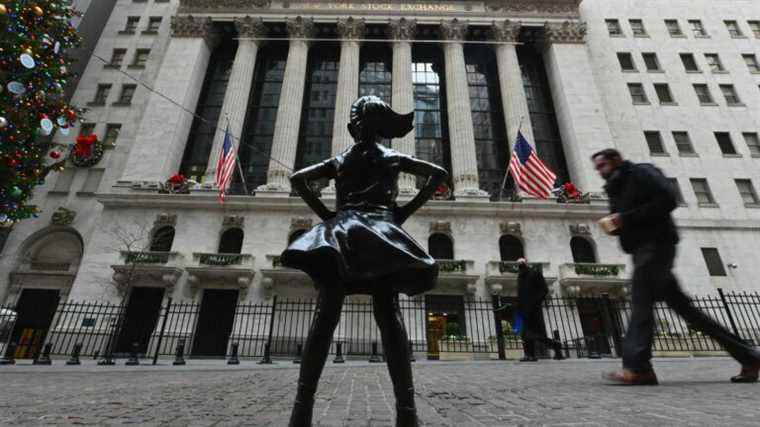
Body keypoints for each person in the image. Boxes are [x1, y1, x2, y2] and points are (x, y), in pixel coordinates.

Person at [282, 96, 448, 426]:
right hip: (382, 237)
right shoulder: (393, 157)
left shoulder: (340, 160)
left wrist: (327, 215)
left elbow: (298, 178)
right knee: (389, 316)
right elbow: (438, 173)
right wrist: (400, 214)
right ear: (382, 129)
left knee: (325, 317)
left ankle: (302, 409)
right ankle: (407, 412)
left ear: (352, 127)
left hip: (341, 235)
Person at [592, 148, 760, 385]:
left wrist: (625, 219)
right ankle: (750, 357)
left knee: (640, 302)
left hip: (657, 246)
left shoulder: (642, 173)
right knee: (689, 312)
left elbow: (668, 199)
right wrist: (616, 225)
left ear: (616, 160)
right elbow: (624, 217)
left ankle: (638, 368)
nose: (600, 171)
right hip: (641, 250)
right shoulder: (614, 187)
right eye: (597, 168)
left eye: (602, 166)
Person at [514, 258, 562, 361]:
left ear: (526, 263)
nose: (520, 265)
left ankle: (555, 345)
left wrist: (535, 303)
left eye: (521, 263)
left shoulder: (535, 273)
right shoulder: (520, 277)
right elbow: (520, 293)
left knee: (537, 334)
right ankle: (529, 355)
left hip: (534, 309)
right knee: (525, 333)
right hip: (523, 309)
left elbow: (544, 290)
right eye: (518, 264)